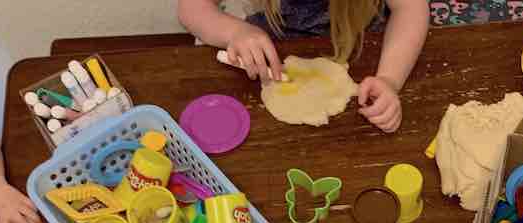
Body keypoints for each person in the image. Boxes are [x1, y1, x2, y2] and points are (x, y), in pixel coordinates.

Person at [177, 0, 430, 133]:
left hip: (362, 42)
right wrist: (235, 31)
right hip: (270, 44)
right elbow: (192, 8)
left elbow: (410, 7)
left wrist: (389, 79)